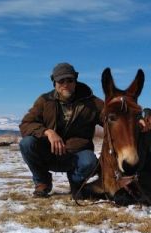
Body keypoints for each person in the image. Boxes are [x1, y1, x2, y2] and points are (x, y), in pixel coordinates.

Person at [19, 62, 104, 197]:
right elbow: (26, 124)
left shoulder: (92, 102)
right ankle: (42, 182)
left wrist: (137, 119)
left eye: (69, 80)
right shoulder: (44, 100)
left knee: (89, 162)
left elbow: (113, 116)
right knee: (27, 143)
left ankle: (76, 183)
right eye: (61, 80)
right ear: (54, 82)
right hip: (50, 153)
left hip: (77, 154)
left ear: (75, 81)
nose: (65, 84)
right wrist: (47, 132)